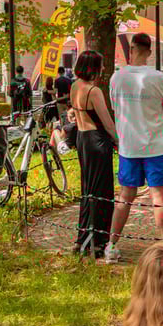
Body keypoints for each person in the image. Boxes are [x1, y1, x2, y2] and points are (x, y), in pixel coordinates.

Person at [107, 33, 163, 263]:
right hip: (156, 145)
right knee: (159, 198)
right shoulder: (157, 77)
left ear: (131, 50)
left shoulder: (116, 78)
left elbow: (114, 107)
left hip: (129, 145)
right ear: (149, 51)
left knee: (125, 197)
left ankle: (111, 244)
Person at [70, 50, 118, 258]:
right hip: (97, 142)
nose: (104, 69)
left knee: (87, 188)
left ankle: (84, 236)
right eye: (101, 65)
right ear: (93, 67)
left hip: (83, 139)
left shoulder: (74, 86)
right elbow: (107, 123)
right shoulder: (94, 91)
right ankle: (98, 240)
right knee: (102, 191)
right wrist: (119, 141)